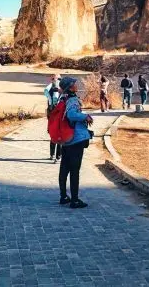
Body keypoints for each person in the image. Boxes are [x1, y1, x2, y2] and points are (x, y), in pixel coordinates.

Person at [58, 76, 93, 209]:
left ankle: (63, 196)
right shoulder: (72, 100)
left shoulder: (63, 98)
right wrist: (86, 116)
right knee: (74, 170)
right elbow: (71, 115)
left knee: (64, 169)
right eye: (74, 83)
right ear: (70, 87)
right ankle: (75, 200)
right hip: (75, 139)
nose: (76, 85)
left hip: (66, 139)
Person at [44, 73, 62, 162]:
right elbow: (47, 92)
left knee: (55, 134)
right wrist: (52, 102)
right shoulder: (53, 86)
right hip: (54, 112)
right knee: (56, 135)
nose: (58, 80)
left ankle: (55, 155)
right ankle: (56, 155)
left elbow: (46, 92)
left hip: (54, 112)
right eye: (58, 79)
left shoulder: (57, 86)